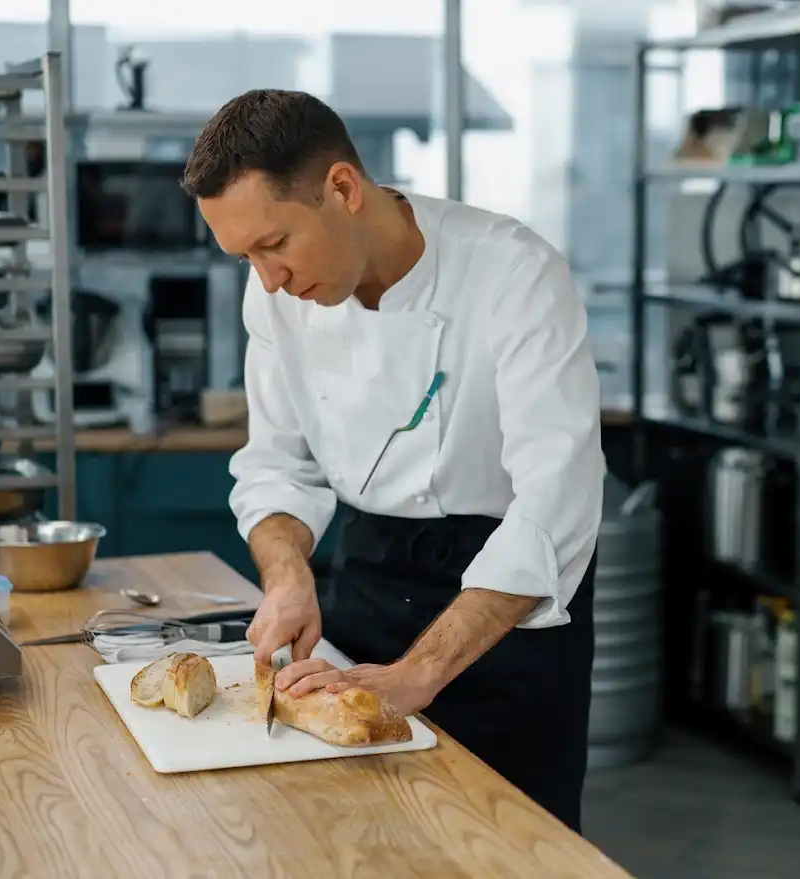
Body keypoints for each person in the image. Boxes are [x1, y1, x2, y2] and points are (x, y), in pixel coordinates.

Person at [180, 89, 605, 833]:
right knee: (360, 833)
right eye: (246, 256)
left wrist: (418, 674)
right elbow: (278, 465)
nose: (268, 279)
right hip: (369, 580)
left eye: (274, 244)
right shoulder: (274, 294)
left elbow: (554, 504)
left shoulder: (514, 274)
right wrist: (286, 577)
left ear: (343, 188)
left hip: (507, 609)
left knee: (511, 843)